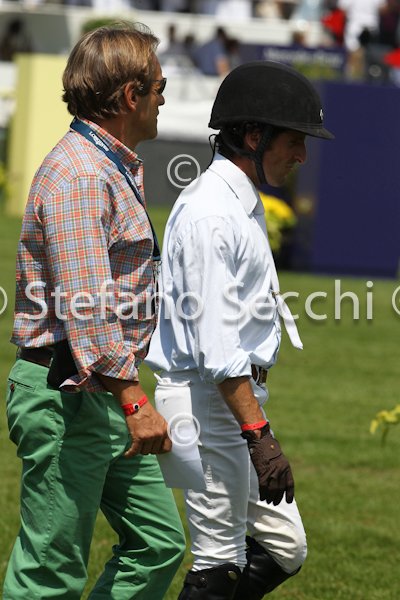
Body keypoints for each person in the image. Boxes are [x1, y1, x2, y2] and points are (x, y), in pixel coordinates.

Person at [4, 22, 185, 600]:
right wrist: (134, 401)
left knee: (158, 545)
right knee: (50, 574)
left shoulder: (105, 164)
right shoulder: (83, 173)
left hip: (97, 389)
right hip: (70, 395)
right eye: (160, 87)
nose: (163, 99)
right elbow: (87, 306)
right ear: (131, 95)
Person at [146, 61, 334, 599]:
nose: (302, 155)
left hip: (229, 398)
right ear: (254, 136)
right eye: (295, 141)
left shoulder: (239, 202)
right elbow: (217, 346)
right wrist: (260, 435)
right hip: (208, 401)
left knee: (284, 546)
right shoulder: (212, 213)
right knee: (218, 564)